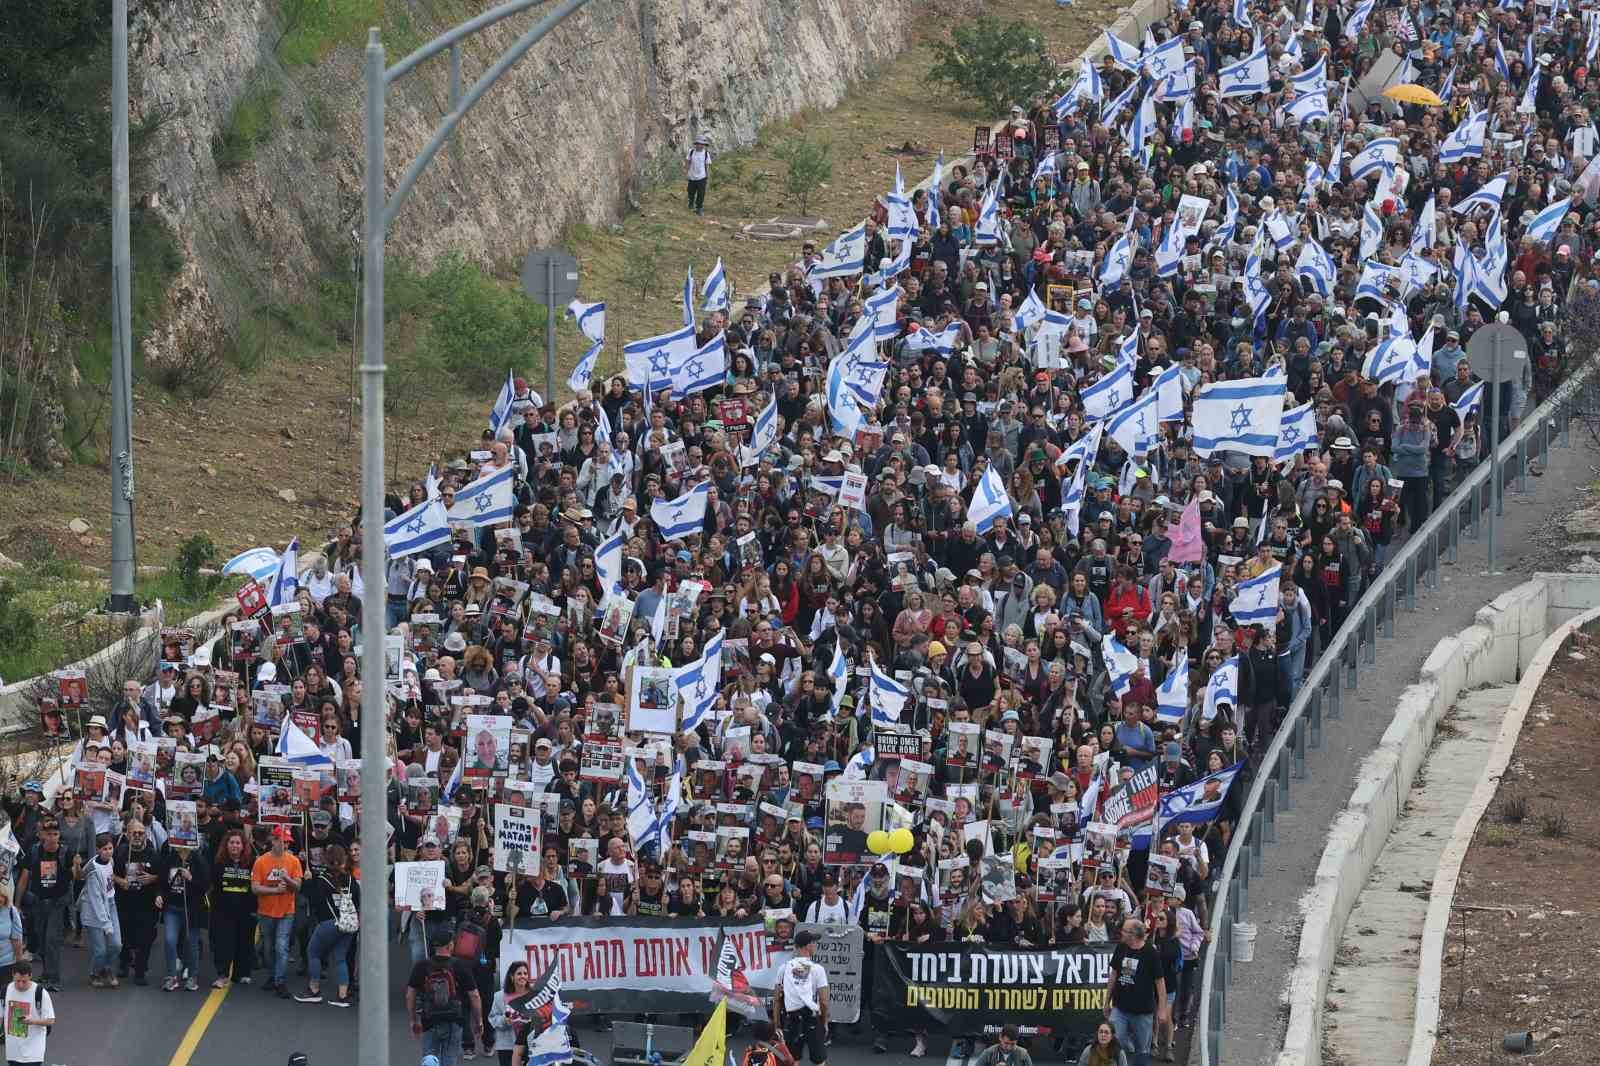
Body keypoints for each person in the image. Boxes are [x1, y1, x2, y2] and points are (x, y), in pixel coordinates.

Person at [293, 843, 359, 1006]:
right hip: (348, 924)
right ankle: (343, 995)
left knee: (313, 952)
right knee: (340, 958)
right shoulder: (351, 880)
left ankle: (314, 989)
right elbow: (358, 901)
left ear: (326, 860)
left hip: (329, 923)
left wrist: (307, 881)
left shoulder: (322, 880)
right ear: (344, 860)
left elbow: (314, 901)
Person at [408, 927, 482, 1066]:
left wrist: (414, 1020)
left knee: (429, 1060)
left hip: (429, 1020)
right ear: (450, 945)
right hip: (453, 1020)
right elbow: (474, 996)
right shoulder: (459, 965)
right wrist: (479, 1022)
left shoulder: (422, 966)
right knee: (449, 1060)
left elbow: (410, 995)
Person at [1103, 919, 1167, 1066]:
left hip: (1142, 1012)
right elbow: (1114, 975)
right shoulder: (1121, 948)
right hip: (1120, 1008)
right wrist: (1107, 1001)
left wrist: (1162, 1009)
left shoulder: (1151, 953)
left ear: (1133, 934)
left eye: (1124, 931)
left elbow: (1160, 982)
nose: (1121, 933)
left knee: (1142, 1051)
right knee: (1114, 1041)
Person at [252, 824, 303, 998]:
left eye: (288, 843)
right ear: (273, 841)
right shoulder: (261, 861)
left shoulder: (294, 861)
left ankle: (280, 981)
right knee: (268, 948)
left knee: (281, 947)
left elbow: (298, 887)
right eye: (283, 842)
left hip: (287, 911)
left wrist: (287, 879)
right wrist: (275, 890)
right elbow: (255, 888)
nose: (286, 846)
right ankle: (271, 976)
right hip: (266, 911)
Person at [773, 929, 829, 1066]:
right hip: (812, 1018)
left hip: (791, 1018)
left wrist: (777, 1025)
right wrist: (825, 1021)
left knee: (793, 1060)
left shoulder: (784, 968)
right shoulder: (817, 969)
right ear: (808, 946)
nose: (816, 945)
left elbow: (776, 999)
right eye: (814, 942)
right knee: (819, 1061)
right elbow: (824, 1001)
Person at [3, 961, 54, 1066]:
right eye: (17, 981)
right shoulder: (6, 990)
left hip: (33, 1051)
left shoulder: (40, 992)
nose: (20, 985)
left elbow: (50, 1020)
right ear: (13, 975)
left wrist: (32, 1021)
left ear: (30, 976)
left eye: (24, 981)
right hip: (13, 1050)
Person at [686, 136, 712, 215]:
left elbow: (707, 166)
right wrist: (686, 173)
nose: (700, 146)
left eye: (702, 144)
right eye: (699, 144)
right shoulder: (691, 152)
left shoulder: (706, 154)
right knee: (691, 192)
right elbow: (687, 162)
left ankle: (699, 208)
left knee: (701, 193)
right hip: (692, 176)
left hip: (702, 177)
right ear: (696, 144)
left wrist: (707, 177)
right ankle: (691, 202)